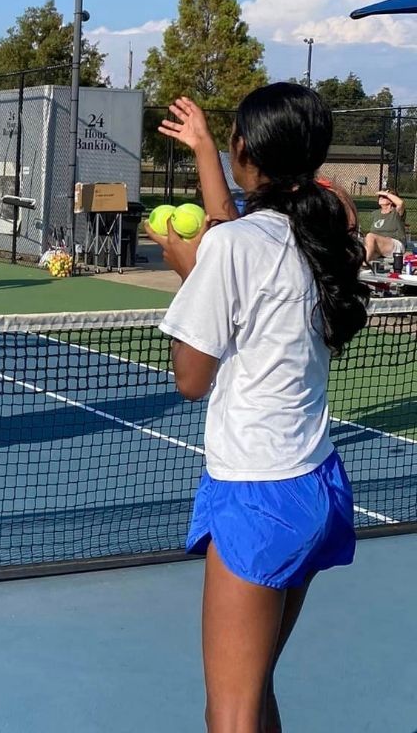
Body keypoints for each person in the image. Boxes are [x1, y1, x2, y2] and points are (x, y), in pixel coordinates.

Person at [150, 86, 369, 733]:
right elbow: (241, 233)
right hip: (315, 484)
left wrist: (193, 273)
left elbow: (191, 378)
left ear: (247, 150)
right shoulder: (321, 227)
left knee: (231, 713)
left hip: (256, 495)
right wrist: (206, 152)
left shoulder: (233, 248)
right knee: (253, 690)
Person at [363, 188, 407, 265]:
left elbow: (400, 203)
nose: (381, 197)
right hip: (379, 245)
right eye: (380, 196)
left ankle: (364, 263)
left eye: (384, 196)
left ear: (391, 200)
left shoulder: (396, 212)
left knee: (370, 236)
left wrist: (386, 193)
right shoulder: (376, 214)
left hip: (395, 244)